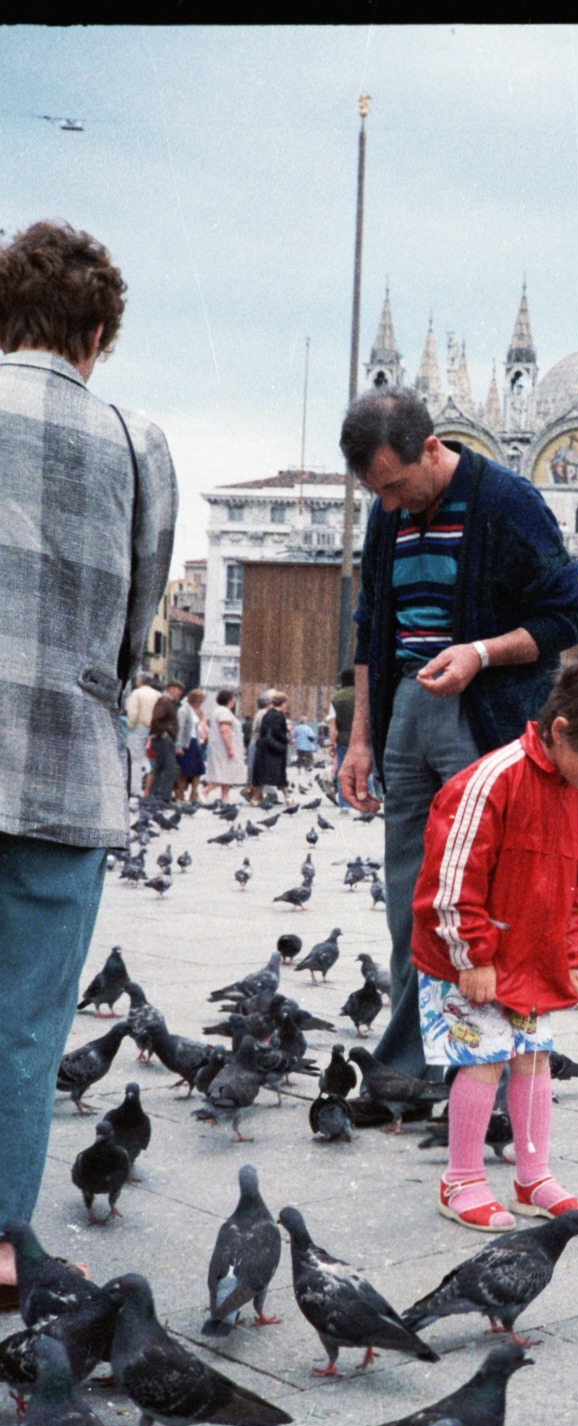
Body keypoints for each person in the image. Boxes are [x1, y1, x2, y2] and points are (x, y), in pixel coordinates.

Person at [0, 218, 176, 1295]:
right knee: (25, 1027)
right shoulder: (133, 440)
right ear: (98, 332)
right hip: (65, 770)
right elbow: (135, 622)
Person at [338, 387, 578, 1078]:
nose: (387, 504)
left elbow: (571, 616)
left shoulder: (507, 502)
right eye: (374, 491)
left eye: (394, 485)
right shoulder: (386, 514)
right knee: (409, 902)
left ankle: (478, 1073)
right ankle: (406, 1073)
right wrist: (359, 738)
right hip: (404, 711)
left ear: (431, 447)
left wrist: (479, 652)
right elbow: (370, 626)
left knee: (480, 899)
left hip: (481, 713)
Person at [412, 653, 578, 1230]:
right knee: (482, 1062)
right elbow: (450, 880)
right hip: (469, 960)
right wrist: (471, 956)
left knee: (533, 1058)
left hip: (530, 960)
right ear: (559, 731)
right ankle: (461, 1179)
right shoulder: (493, 781)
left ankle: (532, 1176)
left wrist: (571, 954)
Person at [202, 689, 247, 801]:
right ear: (230, 700)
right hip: (223, 748)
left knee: (227, 774)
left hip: (220, 747)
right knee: (222, 774)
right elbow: (225, 730)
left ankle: (224, 798)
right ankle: (205, 791)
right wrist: (230, 748)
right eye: (233, 699)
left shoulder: (218, 711)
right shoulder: (224, 712)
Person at [146, 680, 183, 804]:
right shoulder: (165, 701)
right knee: (169, 769)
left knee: (162, 768)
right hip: (163, 740)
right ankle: (163, 798)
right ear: (172, 689)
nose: (181, 693)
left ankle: (155, 797)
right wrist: (164, 734)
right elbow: (156, 719)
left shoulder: (167, 701)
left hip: (163, 739)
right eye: (179, 690)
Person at [251, 691, 291, 803]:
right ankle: (288, 798)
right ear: (282, 704)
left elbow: (263, 731)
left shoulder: (267, 715)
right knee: (280, 775)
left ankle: (255, 798)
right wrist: (286, 739)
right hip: (275, 749)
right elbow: (277, 732)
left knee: (262, 774)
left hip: (264, 748)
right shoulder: (279, 716)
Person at [124, 673, 160, 796]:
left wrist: (129, 726)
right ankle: (151, 790)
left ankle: (135, 789)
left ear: (140, 682)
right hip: (154, 729)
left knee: (135, 759)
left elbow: (133, 713)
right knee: (150, 759)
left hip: (139, 727)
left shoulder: (136, 694)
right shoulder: (157, 695)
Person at [327, 666, 356, 806]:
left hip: (343, 740)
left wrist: (332, 744)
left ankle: (344, 803)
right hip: (361, 739)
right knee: (363, 771)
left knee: (343, 771)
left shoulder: (336, 698)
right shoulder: (364, 695)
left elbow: (333, 726)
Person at [175, 688, 207, 802]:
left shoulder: (195, 711)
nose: (201, 703)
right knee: (184, 771)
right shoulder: (183, 710)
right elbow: (180, 728)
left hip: (194, 742)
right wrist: (178, 746)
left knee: (198, 770)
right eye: (199, 701)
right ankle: (180, 795)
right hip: (186, 744)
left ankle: (193, 795)